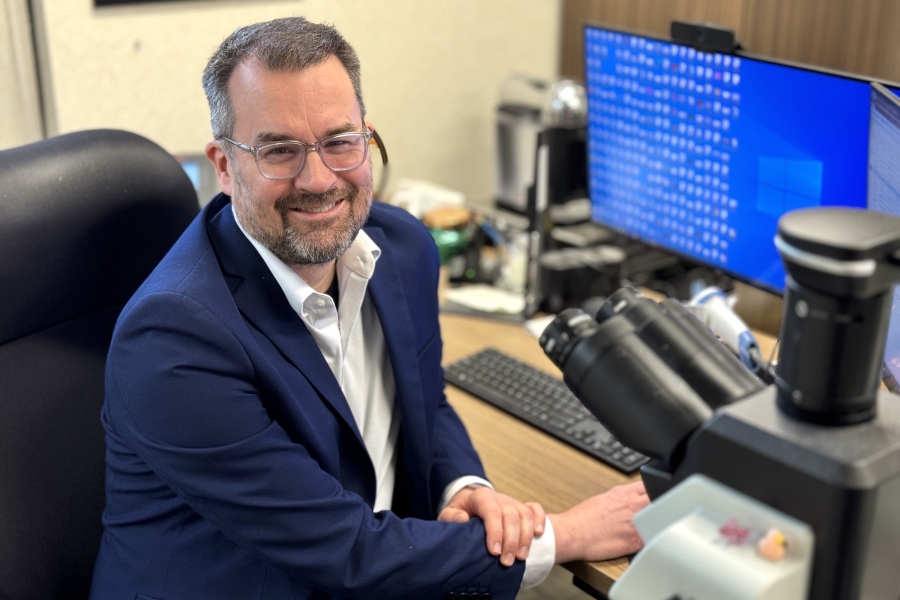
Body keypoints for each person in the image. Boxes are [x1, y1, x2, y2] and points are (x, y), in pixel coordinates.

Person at [89, 16, 649, 600]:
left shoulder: (402, 249)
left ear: (367, 139)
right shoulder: (172, 340)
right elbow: (346, 553)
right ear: (225, 166)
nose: (318, 179)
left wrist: (462, 487)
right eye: (279, 150)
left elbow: (424, 401)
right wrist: (567, 533)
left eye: (339, 141)